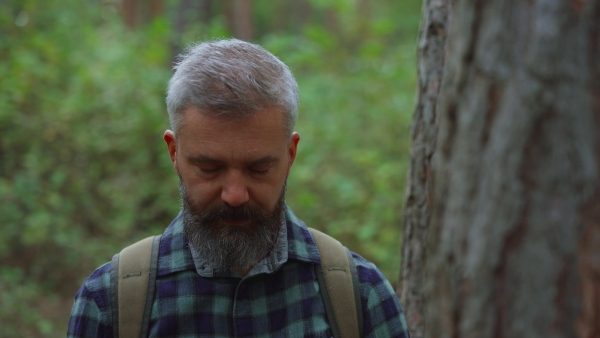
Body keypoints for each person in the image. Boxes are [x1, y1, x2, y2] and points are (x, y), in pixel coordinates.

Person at [67, 38, 410, 337]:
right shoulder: (110, 304)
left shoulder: (360, 297)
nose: (234, 195)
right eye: (209, 168)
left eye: (258, 168)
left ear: (290, 154)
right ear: (175, 152)